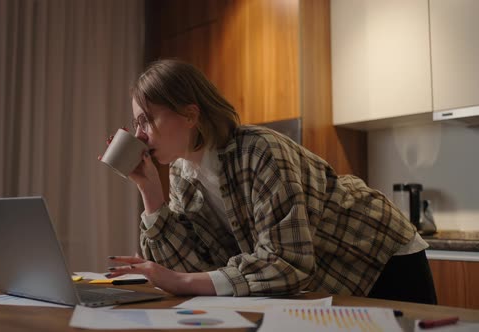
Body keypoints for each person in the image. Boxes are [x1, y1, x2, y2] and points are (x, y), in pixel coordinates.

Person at [104, 59, 437, 304]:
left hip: (378, 253)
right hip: (321, 272)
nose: (139, 135)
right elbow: (196, 267)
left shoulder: (260, 151)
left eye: (146, 120)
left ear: (190, 115)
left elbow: (286, 261)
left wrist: (181, 280)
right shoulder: (181, 174)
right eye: (136, 123)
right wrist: (149, 190)